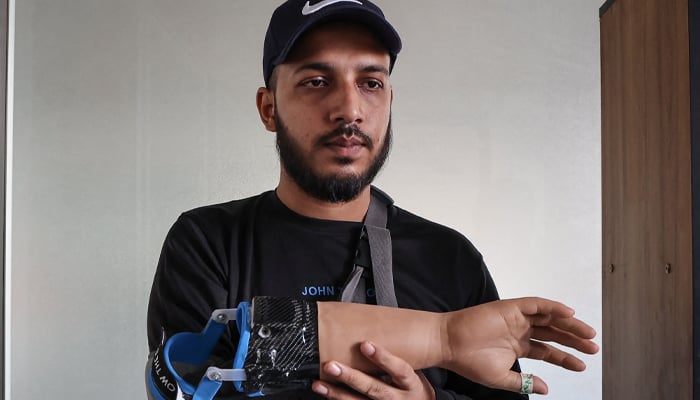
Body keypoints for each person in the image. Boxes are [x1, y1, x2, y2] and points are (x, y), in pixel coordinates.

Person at [146, 1, 596, 399]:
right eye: (317, 81)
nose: (350, 108)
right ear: (269, 108)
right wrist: (443, 339)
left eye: (371, 83)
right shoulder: (206, 241)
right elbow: (183, 381)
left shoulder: (450, 257)